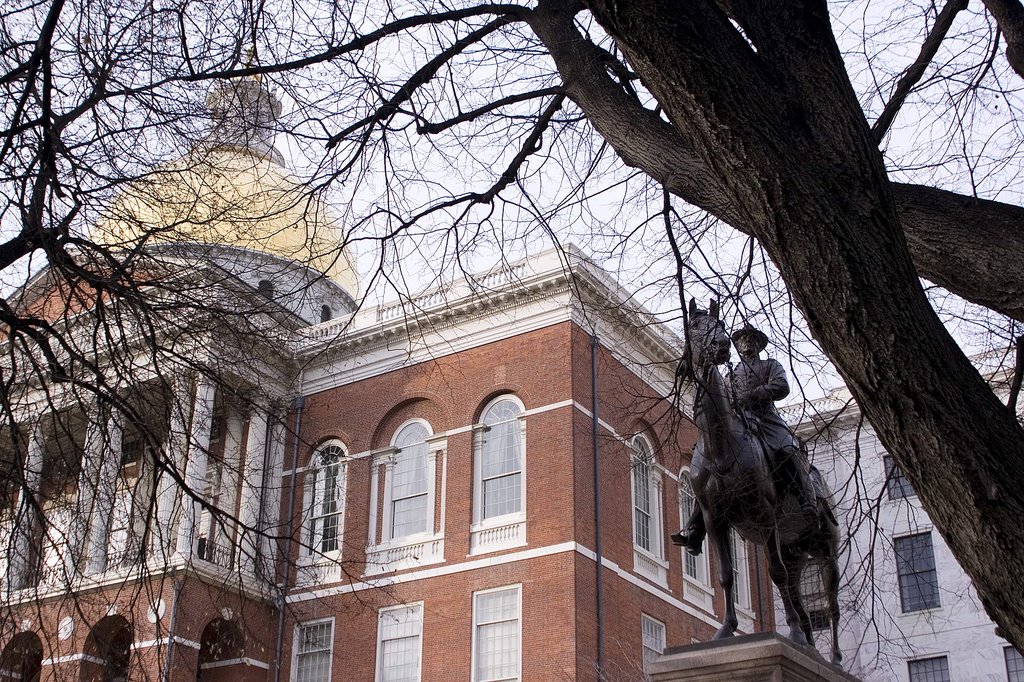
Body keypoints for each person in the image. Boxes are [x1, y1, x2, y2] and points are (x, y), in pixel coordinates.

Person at [672, 324, 817, 555]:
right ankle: (695, 528)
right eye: (741, 339)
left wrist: (755, 393)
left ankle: (806, 501)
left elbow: (782, 386)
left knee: (787, 450)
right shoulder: (730, 375)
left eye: (751, 339)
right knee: (708, 469)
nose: (746, 342)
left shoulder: (770, 365)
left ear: (759, 344)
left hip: (766, 419)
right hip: (741, 423)